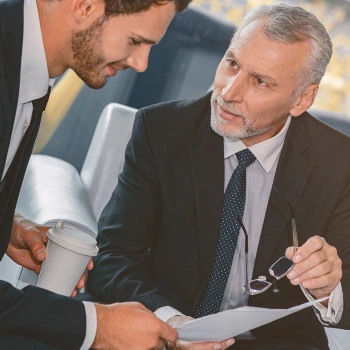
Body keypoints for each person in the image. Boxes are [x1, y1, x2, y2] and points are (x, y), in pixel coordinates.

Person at [87, 3, 350, 350]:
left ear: (302, 99)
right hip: (164, 332)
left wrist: (329, 289)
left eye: (259, 81)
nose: (228, 92)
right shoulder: (161, 131)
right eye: (232, 63)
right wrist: (170, 322)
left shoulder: (339, 163)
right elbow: (113, 258)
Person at [0, 0, 193, 349]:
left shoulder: (27, 67)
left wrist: (7, 224)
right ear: (85, 7)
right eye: (135, 41)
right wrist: (97, 325)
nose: (141, 63)